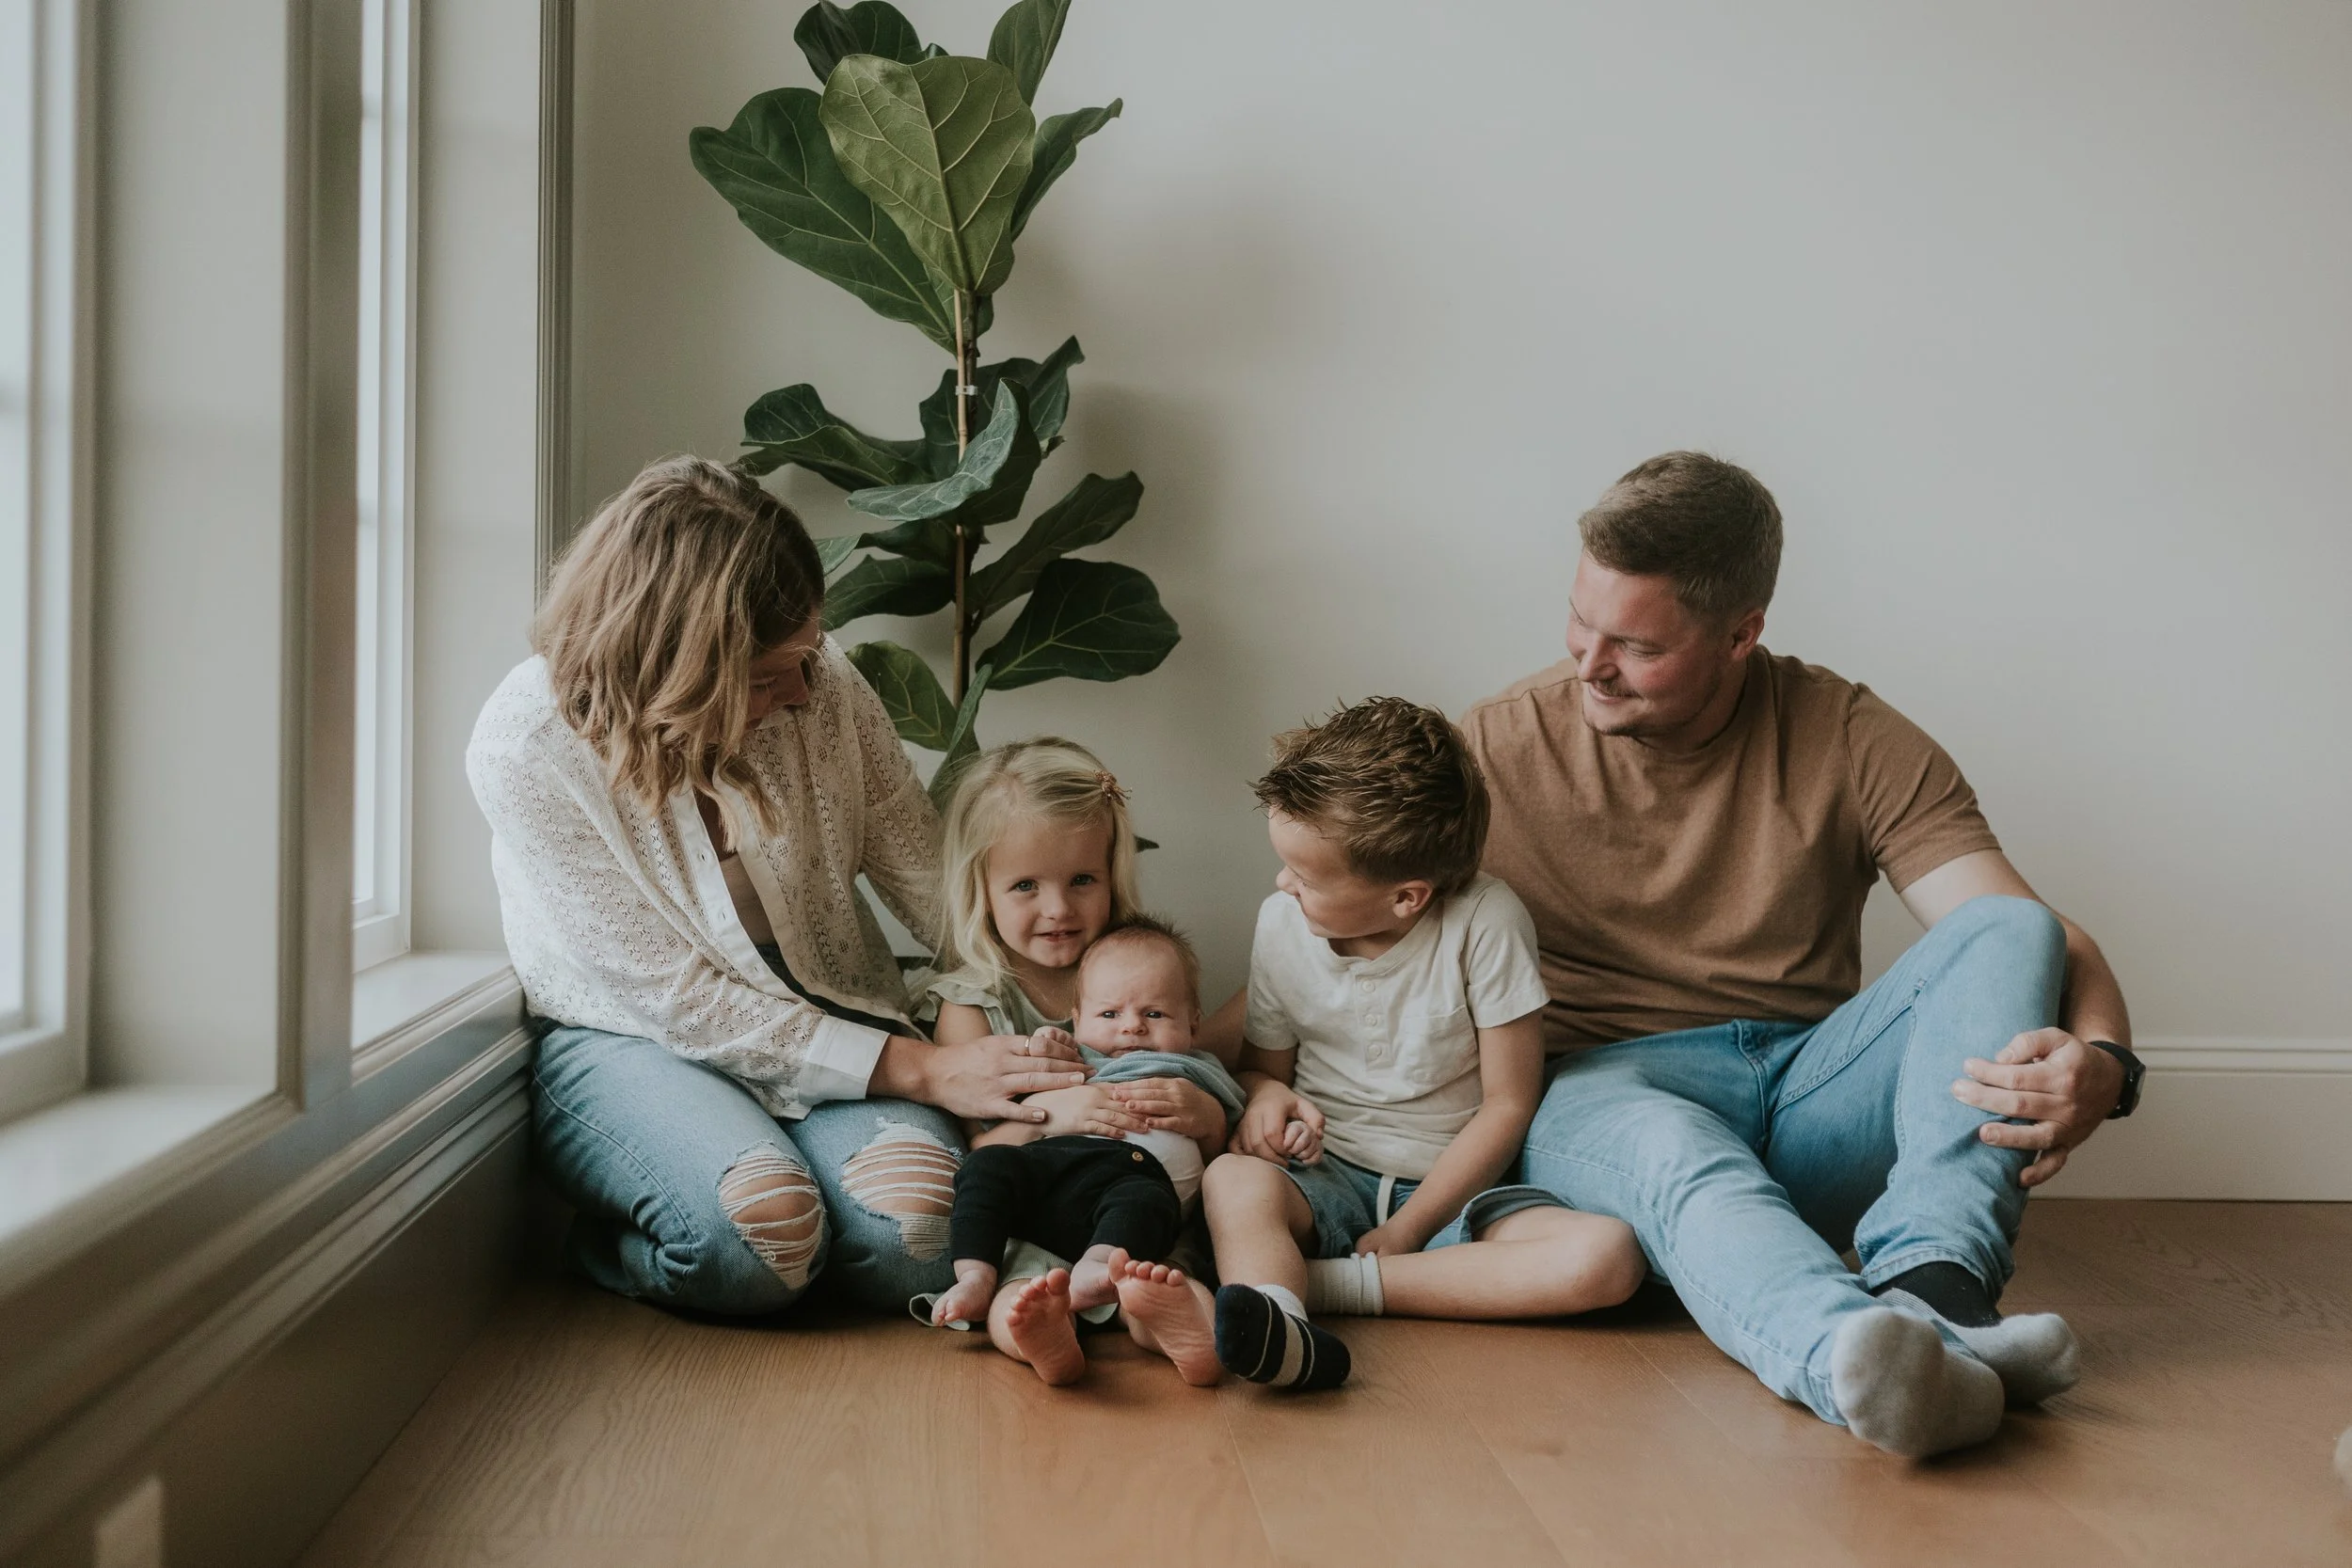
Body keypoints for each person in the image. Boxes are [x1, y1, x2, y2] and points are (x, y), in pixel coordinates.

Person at [1464, 451, 2139, 1457]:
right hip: (1605, 1093)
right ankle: (1856, 1357)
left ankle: (1933, 1283)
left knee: (2010, 927)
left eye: (1636, 645)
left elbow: (2026, 935)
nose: (1588, 664)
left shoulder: (1848, 731)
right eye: (1579, 621)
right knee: (1672, 1147)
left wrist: (2106, 1067)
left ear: (1742, 632)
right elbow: (1333, 925)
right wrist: (1216, 1065)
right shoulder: (1496, 745)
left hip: (1804, 1081)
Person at [467, 455, 1089, 1317]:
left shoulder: (822, 680)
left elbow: (928, 878)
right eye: (765, 676)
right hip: (635, 1035)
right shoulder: (528, 745)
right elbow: (678, 1000)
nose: (804, 689)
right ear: (674, 668)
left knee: (923, 1239)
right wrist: (926, 1071)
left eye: (808, 654)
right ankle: (619, 1247)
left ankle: (806, 1229)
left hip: (831, 1002)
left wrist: (1086, 1030)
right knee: (765, 1237)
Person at [1196, 699, 1649, 1392]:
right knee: (1232, 1180)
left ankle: (1326, 1287)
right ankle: (1282, 1324)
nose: (1284, 884)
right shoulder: (1282, 923)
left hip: (1451, 1188)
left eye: (1306, 876)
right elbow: (1265, 1069)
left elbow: (1507, 1102)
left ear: (1407, 896)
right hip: (1325, 1174)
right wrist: (1265, 1098)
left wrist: (1410, 1227)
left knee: (1607, 1257)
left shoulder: (1485, 923)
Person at [931, 918, 1241, 1387]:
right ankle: (984, 1283)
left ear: (1193, 1021)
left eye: (1155, 1014)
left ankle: (1184, 1331)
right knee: (989, 1173)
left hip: (1137, 1198)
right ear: (1076, 1019)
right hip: (1048, 1196)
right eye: (1110, 1014)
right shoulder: (1068, 1062)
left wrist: (1209, 1116)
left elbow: (1220, 1157)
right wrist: (1047, 1080)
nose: (1132, 1027)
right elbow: (997, 1135)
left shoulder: (1198, 1072)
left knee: (1157, 1282)